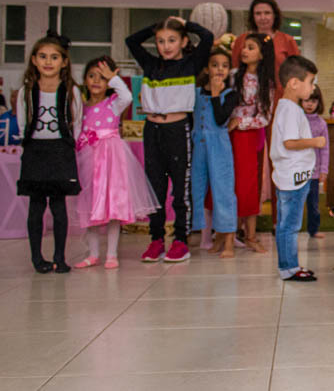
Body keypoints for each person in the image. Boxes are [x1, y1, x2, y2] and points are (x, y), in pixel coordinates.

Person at [126, 16, 213, 262]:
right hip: (152, 130)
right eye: (161, 41)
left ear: (184, 41)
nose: (165, 46)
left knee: (180, 190)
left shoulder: (190, 64)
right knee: (155, 188)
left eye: (172, 40)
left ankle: (180, 241)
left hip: (178, 129)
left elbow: (207, 38)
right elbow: (131, 41)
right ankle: (156, 240)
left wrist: (185, 23)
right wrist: (154, 26)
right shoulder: (151, 64)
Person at [73, 56, 159, 269]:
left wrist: (114, 79)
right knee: (90, 207)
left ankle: (111, 254)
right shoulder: (80, 108)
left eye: (102, 78)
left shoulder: (113, 104)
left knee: (114, 207)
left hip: (111, 160)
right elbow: (76, 131)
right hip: (88, 160)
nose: (96, 81)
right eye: (92, 76)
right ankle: (92, 254)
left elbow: (128, 96)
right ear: (84, 79)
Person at [232, 0, 300, 232]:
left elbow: (297, 74)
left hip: (281, 108)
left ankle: (279, 220)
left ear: (275, 15)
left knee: (280, 161)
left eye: (267, 13)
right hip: (250, 114)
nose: (263, 17)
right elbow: (235, 73)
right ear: (253, 16)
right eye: (258, 13)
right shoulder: (242, 40)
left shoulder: (287, 40)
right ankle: (243, 221)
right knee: (248, 167)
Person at [17, 30, 82, 273]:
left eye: (54, 57)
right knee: (36, 206)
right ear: (34, 59)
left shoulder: (71, 91)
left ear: (64, 62)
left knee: (58, 205)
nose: (48, 62)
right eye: (42, 56)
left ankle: (59, 257)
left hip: (60, 151)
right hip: (35, 150)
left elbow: (78, 122)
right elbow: (24, 122)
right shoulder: (27, 91)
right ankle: (37, 258)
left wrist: (67, 145)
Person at [271, 56, 324, 281]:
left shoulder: (286, 107)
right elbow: (290, 143)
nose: (312, 88)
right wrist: (315, 141)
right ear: (294, 83)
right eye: (310, 82)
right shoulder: (291, 110)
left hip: (290, 175)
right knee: (290, 226)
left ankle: (288, 266)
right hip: (293, 176)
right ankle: (289, 268)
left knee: (286, 224)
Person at [191, 47, 239, 259]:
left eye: (225, 66)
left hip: (219, 145)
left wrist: (216, 93)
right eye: (215, 65)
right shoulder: (196, 92)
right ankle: (212, 234)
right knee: (198, 188)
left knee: (223, 190)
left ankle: (229, 239)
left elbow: (220, 119)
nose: (220, 69)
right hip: (198, 144)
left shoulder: (231, 94)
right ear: (207, 68)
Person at [230, 34, 276, 253]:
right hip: (229, 136)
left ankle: (250, 235)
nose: (245, 51)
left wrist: (241, 122)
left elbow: (265, 116)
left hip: (251, 136)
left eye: (251, 48)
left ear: (262, 54)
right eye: (244, 47)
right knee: (230, 183)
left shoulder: (266, 83)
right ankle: (229, 232)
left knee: (249, 186)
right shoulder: (232, 77)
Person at [301, 85, 329, 239]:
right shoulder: (297, 120)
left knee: (313, 203)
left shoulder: (321, 123)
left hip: (314, 172)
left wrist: (323, 170)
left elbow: (325, 149)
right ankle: (293, 228)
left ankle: (313, 229)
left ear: (319, 102)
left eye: (313, 100)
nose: (309, 104)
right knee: (296, 202)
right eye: (306, 100)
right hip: (298, 170)